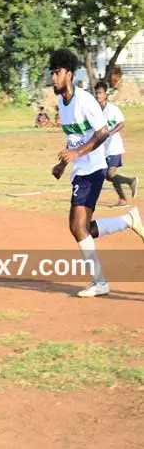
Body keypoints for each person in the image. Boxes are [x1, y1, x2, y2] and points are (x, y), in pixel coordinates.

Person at [49, 49, 144, 298]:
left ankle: (99, 282)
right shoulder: (62, 102)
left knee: (76, 226)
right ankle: (128, 220)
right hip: (81, 169)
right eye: (52, 73)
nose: (54, 78)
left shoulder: (85, 100)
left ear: (69, 74)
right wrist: (63, 164)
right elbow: (74, 138)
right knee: (83, 229)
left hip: (93, 168)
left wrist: (78, 154)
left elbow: (102, 133)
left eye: (57, 73)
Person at [95, 81, 137, 207]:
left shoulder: (112, 109)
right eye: (96, 93)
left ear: (105, 95)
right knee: (108, 176)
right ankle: (126, 191)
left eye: (100, 93)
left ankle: (128, 188)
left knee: (110, 174)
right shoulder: (96, 111)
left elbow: (121, 123)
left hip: (114, 147)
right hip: (104, 149)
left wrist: (110, 133)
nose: (97, 95)